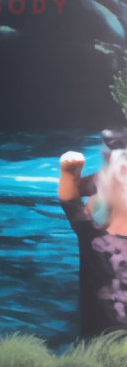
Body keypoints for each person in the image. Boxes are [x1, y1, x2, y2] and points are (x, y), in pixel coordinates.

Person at [58, 134, 127, 338]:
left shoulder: (92, 234)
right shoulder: (92, 234)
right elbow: (71, 200)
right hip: (98, 340)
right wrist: (70, 173)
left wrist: (70, 173)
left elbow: (70, 200)